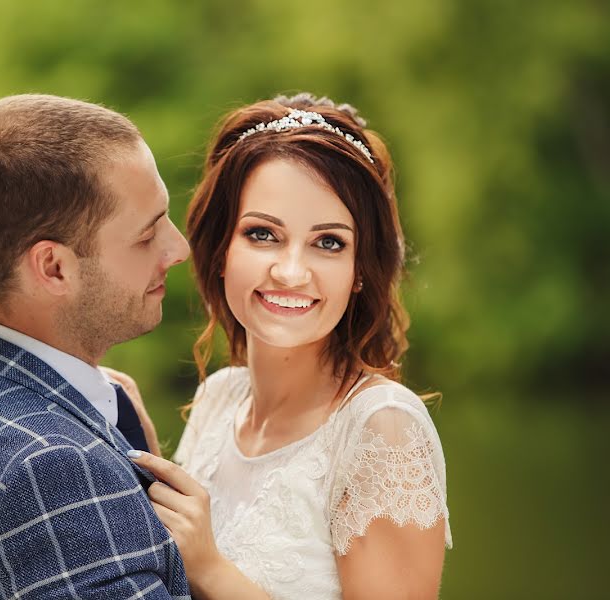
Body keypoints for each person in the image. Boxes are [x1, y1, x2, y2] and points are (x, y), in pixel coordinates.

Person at [129, 93, 453, 599]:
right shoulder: (220, 398)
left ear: (360, 272)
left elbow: (204, 563)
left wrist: (211, 568)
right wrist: (134, 456)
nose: (292, 272)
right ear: (220, 251)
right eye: (262, 234)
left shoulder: (381, 430)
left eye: (328, 242)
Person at [0, 94, 192, 599]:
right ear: (54, 267)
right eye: (147, 236)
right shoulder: (55, 465)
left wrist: (134, 454)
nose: (179, 249)